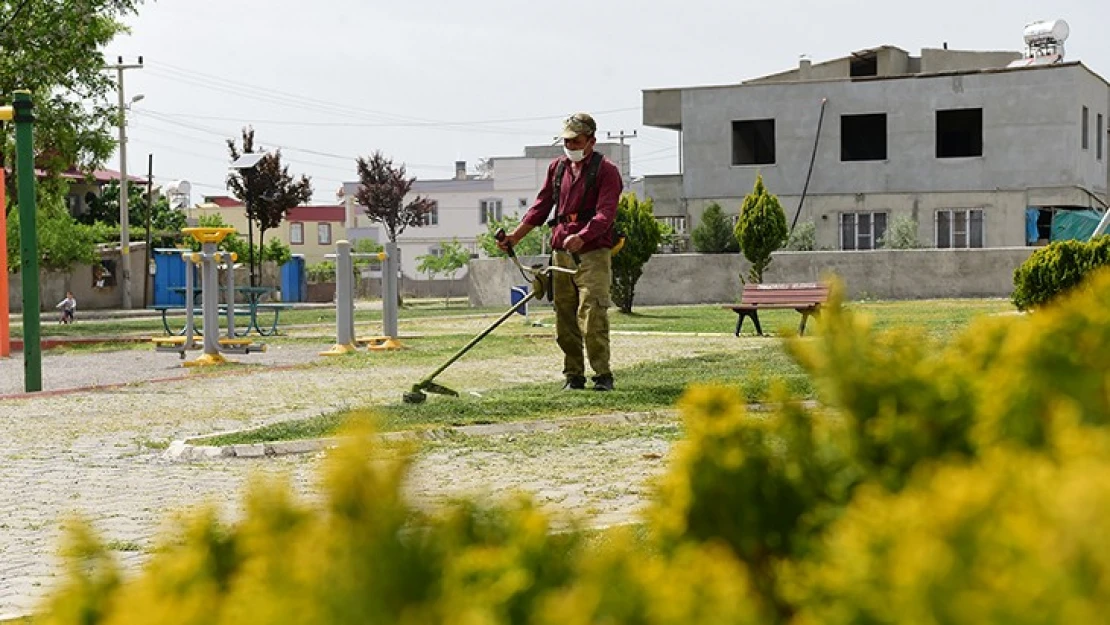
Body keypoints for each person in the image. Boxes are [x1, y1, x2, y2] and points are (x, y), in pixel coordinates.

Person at [499, 112, 623, 391]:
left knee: (592, 313)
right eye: (566, 141)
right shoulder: (557, 169)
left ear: (591, 140)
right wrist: (514, 237)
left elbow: (606, 214)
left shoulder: (607, 171)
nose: (571, 146)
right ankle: (573, 376)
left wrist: (584, 235)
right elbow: (540, 207)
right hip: (561, 250)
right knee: (564, 315)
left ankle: (603, 375)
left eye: (576, 141)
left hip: (592, 252)